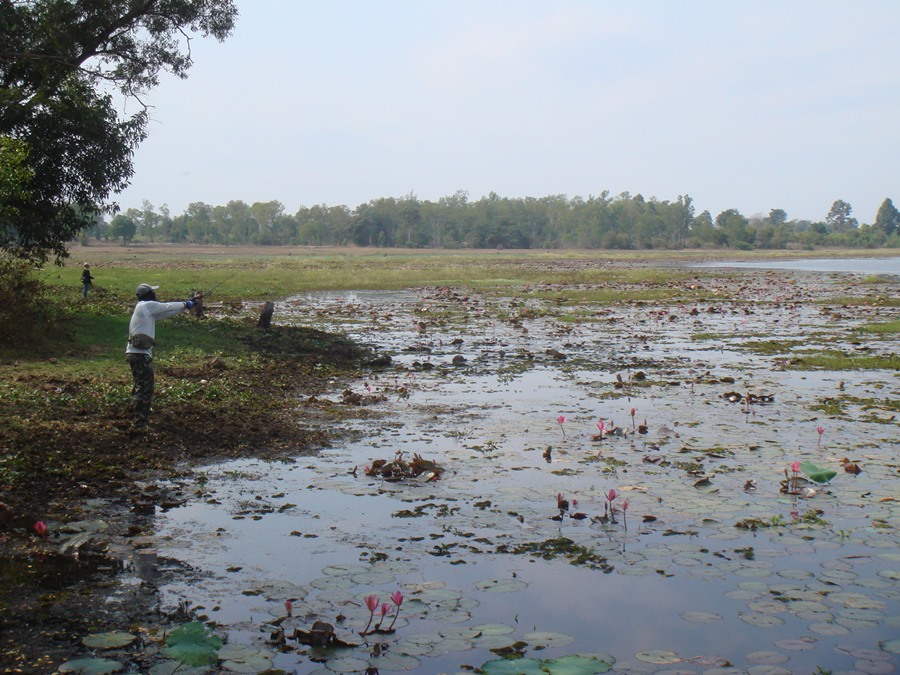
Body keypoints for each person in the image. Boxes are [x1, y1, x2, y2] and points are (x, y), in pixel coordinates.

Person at [126, 283, 202, 429]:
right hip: (139, 354)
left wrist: (188, 304)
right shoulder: (145, 305)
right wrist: (187, 303)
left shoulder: (146, 310)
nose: (155, 294)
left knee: (140, 385)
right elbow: (167, 306)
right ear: (148, 294)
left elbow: (168, 312)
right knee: (145, 387)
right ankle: (139, 423)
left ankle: (136, 415)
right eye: (153, 292)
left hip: (138, 354)